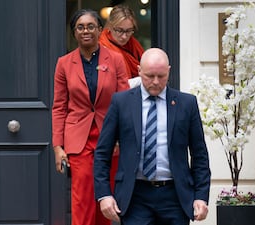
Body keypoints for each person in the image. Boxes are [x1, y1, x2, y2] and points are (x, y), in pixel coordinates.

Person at [94, 48, 211, 225]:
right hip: (135, 196)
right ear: (139, 71)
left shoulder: (187, 104)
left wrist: (201, 196)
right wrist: (104, 194)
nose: (155, 82)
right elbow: (102, 153)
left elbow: (199, 154)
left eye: (161, 76)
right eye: (149, 76)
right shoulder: (121, 102)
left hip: (175, 196)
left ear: (169, 71)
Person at [51, 8, 129, 225]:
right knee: (82, 200)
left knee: (105, 201)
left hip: (109, 138)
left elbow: (124, 103)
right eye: (80, 27)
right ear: (74, 33)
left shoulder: (115, 60)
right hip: (79, 140)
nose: (86, 31)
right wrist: (58, 146)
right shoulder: (64, 64)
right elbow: (59, 107)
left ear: (100, 30)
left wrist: (121, 138)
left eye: (90, 26)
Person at [99, 5, 144, 80]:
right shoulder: (101, 47)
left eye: (129, 31)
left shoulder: (134, 44)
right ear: (110, 26)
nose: (124, 36)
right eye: (119, 30)